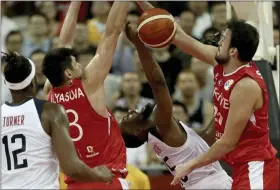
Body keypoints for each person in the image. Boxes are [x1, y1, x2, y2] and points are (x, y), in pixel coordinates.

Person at [136, 2, 279, 189]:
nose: (219, 41)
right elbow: (177, 33)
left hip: (256, 167)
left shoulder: (245, 86)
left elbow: (227, 142)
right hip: (242, 167)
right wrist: (143, 4)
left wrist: (190, 165)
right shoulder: (220, 61)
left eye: (224, 39)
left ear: (233, 51)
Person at [118, 23, 232, 189]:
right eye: (126, 119)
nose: (129, 111)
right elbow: (158, 83)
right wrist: (138, 44)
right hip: (212, 184)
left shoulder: (163, 135)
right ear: (136, 131)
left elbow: (205, 138)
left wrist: (225, 100)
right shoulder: (160, 125)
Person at [42, 2, 130, 189]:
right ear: (68, 73)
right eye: (76, 63)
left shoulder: (49, 91)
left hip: (75, 185)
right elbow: (112, 32)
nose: (81, 65)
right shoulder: (88, 83)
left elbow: (63, 44)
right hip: (107, 179)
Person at [1, 52, 113, 188]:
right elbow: (71, 168)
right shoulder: (50, 112)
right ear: (33, 81)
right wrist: (98, 175)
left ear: (6, 83)